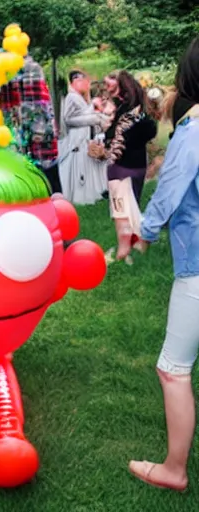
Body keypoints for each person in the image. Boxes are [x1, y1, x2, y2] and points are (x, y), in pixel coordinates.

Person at [128, 37, 199, 492]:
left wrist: (144, 232)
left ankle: (174, 470)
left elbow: (171, 190)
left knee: (172, 368)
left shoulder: (194, 130)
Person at [103, 71, 157, 263]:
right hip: (138, 165)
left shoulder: (123, 112)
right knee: (132, 206)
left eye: (109, 84)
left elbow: (112, 137)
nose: (106, 88)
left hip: (121, 166)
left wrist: (108, 134)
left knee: (121, 211)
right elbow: (152, 131)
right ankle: (139, 243)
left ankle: (123, 249)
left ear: (120, 86)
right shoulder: (141, 110)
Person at [0, 55, 62, 194]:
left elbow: (37, 104)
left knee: (42, 179)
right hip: (27, 139)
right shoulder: (6, 69)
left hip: (27, 141)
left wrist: (38, 130)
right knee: (45, 180)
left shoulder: (26, 69)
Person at [58, 71, 110, 204]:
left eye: (82, 78)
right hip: (77, 137)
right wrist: (93, 117)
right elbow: (68, 119)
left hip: (88, 136)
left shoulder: (83, 97)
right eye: (76, 78)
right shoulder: (71, 97)